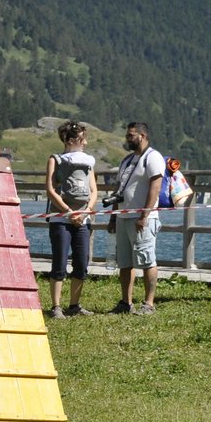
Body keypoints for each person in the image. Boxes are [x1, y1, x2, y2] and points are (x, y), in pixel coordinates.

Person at [42, 120, 98, 318]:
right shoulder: (55, 160)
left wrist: (86, 211)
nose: (85, 142)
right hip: (61, 219)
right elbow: (50, 189)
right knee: (60, 261)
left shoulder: (88, 163)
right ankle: (56, 306)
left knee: (81, 262)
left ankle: (74, 305)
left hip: (83, 219)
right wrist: (68, 211)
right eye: (82, 138)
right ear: (72, 139)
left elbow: (94, 190)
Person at [110, 121, 164, 315]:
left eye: (131, 135)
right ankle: (126, 301)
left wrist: (145, 214)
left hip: (142, 218)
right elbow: (119, 190)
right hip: (123, 216)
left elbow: (155, 187)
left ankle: (149, 303)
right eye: (127, 135)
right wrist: (113, 216)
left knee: (147, 259)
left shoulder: (153, 157)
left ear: (142, 136)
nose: (128, 138)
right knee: (125, 262)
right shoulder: (126, 160)